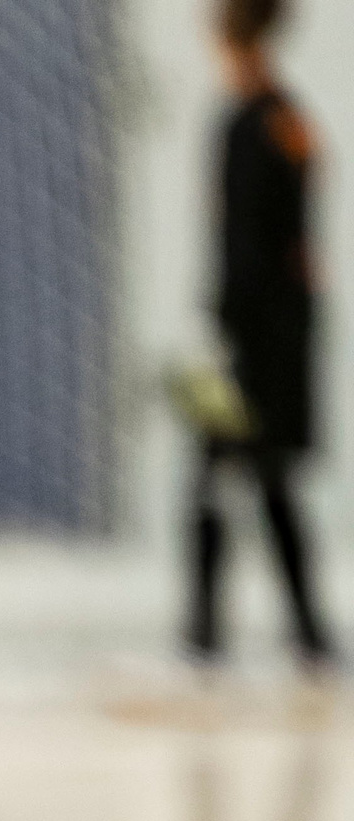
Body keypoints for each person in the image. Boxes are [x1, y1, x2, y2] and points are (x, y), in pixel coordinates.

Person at [187, 0, 333, 673]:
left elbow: (256, 251)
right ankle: (279, 634)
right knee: (236, 479)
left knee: (239, 480)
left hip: (251, 344)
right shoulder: (282, 120)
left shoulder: (263, 125)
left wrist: (229, 332)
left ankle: (217, 638)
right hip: (257, 337)